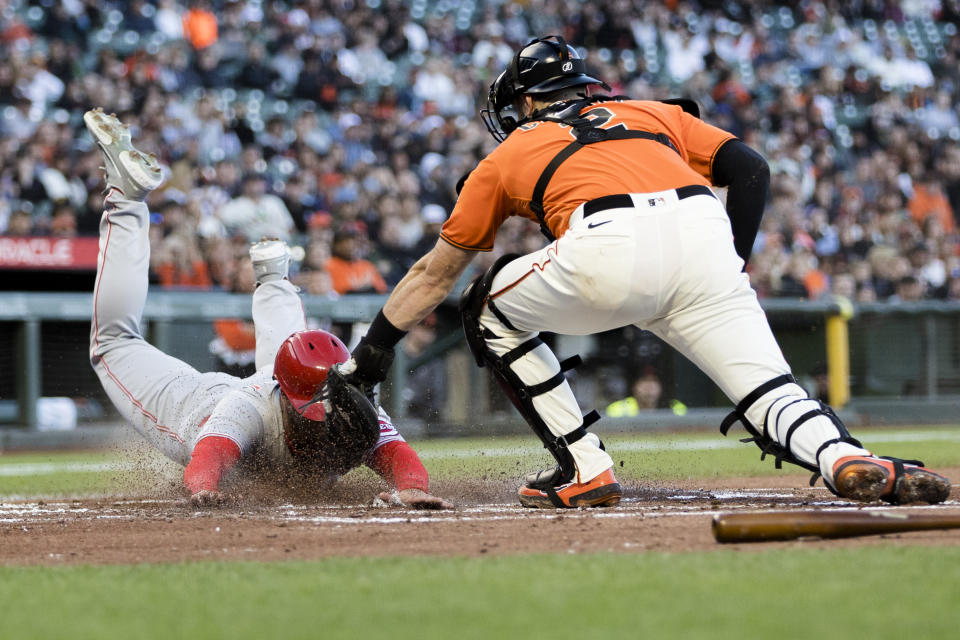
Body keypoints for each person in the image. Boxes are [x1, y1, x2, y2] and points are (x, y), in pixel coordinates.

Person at [336, 36, 951, 509]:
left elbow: (434, 273)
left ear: (524, 103)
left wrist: (371, 355)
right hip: (704, 232)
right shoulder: (655, 113)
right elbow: (752, 169)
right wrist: (732, 260)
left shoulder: (509, 152)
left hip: (606, 242)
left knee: (486, 306)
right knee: (770, 392)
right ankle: (841, 456)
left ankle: (584, 468)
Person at [84, 108, 451, 510]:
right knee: (112, 341)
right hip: (203, 405)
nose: (328, 422)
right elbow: (209, 457)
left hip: (272, 383)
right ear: (285, 397)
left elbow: (401, 457)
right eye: (315, 411)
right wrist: (204, 487)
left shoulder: (353, 400)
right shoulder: (250, 407)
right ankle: (126, 200)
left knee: (289, 347)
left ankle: (273, 275)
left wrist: (413, 488)